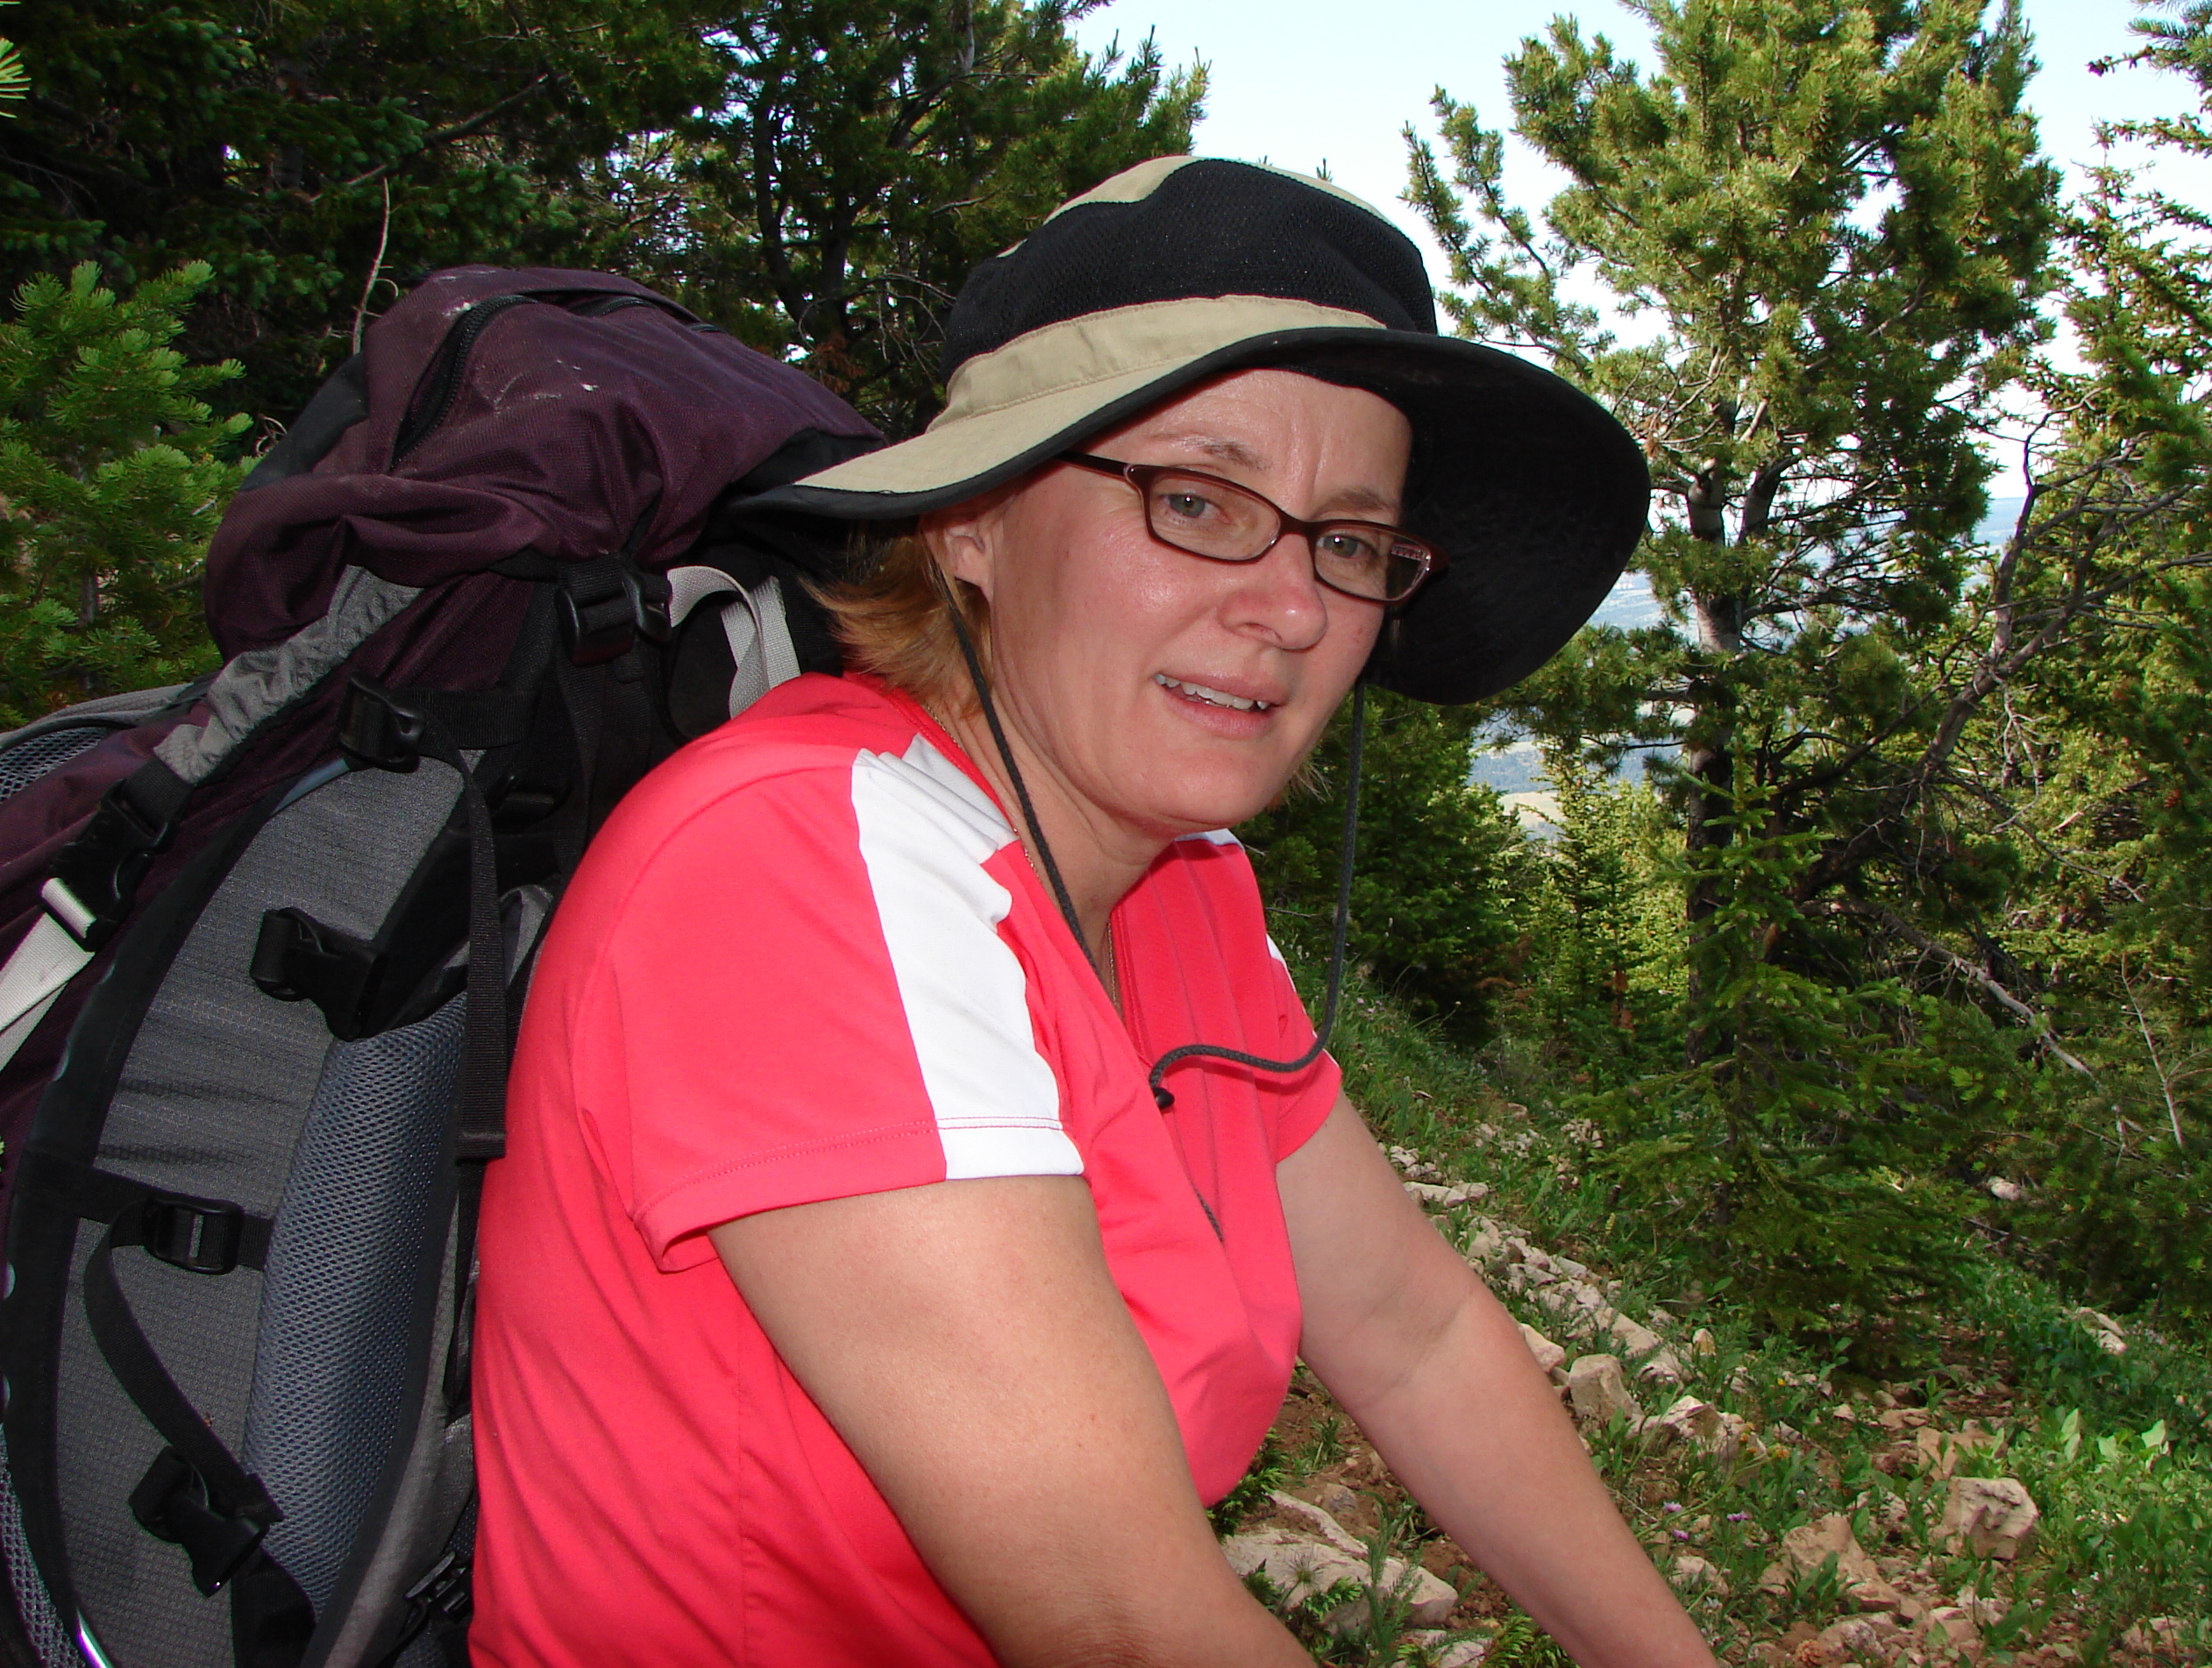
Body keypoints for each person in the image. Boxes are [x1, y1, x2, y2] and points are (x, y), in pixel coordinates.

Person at [470, 157, 1718, 1668]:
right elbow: (1126, 1623)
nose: (1298, 607)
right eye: (1198, 500)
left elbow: (1413, 1336)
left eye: (1349, 539)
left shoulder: (1181, 888)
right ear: (973, 523)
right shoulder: (799, 861)